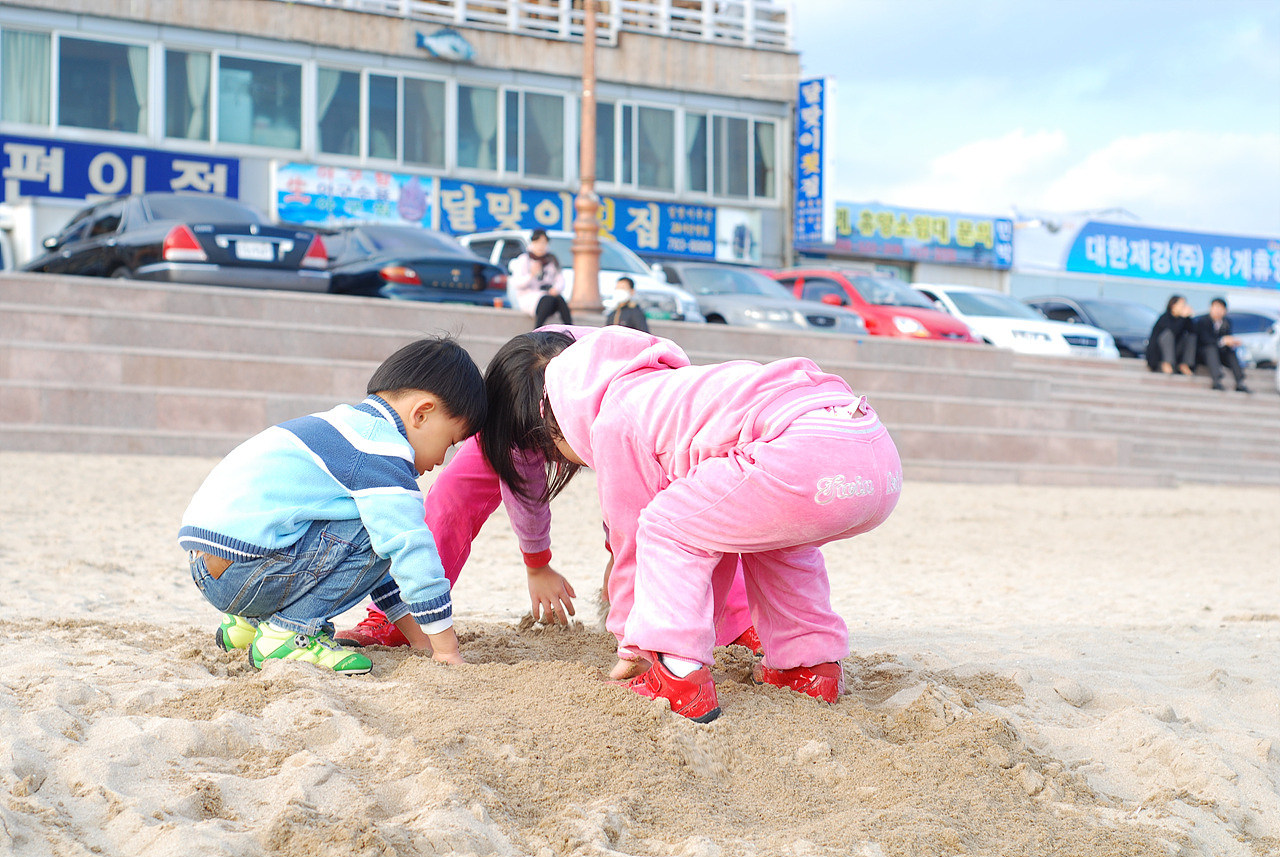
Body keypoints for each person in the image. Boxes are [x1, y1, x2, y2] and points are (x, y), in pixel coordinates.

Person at [484, 326, 902, 722]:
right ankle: (809, 666)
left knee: (663, 525)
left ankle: (677, 676)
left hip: (804, 454)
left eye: (550, 451)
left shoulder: (616, 419)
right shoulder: (674, 392)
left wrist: (635, 646)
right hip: (871, 455)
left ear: (555, 422)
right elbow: (712, 535)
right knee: (776, 543)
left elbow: (632, 542)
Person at [336, 325, 758, 656]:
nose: (550, 456)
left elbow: (634, 498)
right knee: (452, 494)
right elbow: (525, 488)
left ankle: (740, 623)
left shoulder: (634, 399)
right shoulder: (519, 415)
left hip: (623, 414)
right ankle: (397, 612)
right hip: (517, 404)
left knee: (691, 511)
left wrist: (617, 554)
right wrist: (537, 564)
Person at [178, 337, 486, 674]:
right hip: (245, 574)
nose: (442, 459)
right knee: (387, 529)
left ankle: (247, 626)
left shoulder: (343, 428)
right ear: (422, 414)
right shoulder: (379, 450)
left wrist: (420, 640)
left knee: (374, 525)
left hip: (212, 565)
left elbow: (376, 569)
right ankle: (289, 634)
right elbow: (408, 550)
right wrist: (446, 649)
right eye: (450, 442)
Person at [509, 229, 573, 327]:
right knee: (547, 299)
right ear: (532, 243)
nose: (540, 246)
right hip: (530, 297)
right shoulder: (524, 259)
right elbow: (517, 283)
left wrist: (556, 289)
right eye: (538, 242)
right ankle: (537, 329)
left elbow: (560, 280)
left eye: (543, 243)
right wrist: (531, 275)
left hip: (548, 296)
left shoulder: (551, 260)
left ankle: (571, 329)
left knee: (559, 299)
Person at [1195, 297, 1250, 393]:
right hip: (1204, 354)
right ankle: (1216, 381)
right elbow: (1205, 340)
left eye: (1221, 308)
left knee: (1231, 352)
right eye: (1216, 308)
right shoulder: (1203, 321)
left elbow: (1226, 339)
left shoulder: (1226, 322)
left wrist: (1232, 342)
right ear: (1211, 308)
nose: (1218, 311)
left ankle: (1240, 382)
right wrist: (1223, 341)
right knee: (1211, 349)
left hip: (1220, 353)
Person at [1146, 294, 1196, 376]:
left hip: (1176, 351)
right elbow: (1174, 330)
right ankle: (1166, 363)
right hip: (1159, 353)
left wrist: (1188, 317)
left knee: (1191, 336)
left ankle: (1184, 364)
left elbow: (1193, 331)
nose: (1184, 307)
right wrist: (1183, 317)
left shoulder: (1184, 319)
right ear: (1173, 305)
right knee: (1168, 334)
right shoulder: (1165, 317)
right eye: (1181, 305)